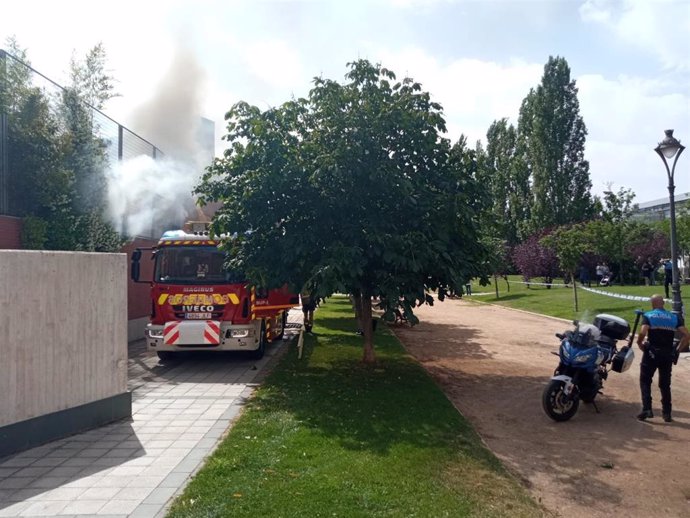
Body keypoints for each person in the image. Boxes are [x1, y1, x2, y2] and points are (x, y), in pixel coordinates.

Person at [635, 295, 690, 422]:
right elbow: (686, 335)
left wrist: (640, 344)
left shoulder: (649, 316)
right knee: (665, 384)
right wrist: (677, 350)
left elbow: (643, 332)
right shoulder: (673, 317)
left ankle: (647, 409)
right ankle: (667, 413)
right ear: (663, 303)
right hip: (667, 354)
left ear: (652, 304)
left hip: (651, 353)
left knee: (645, 380)